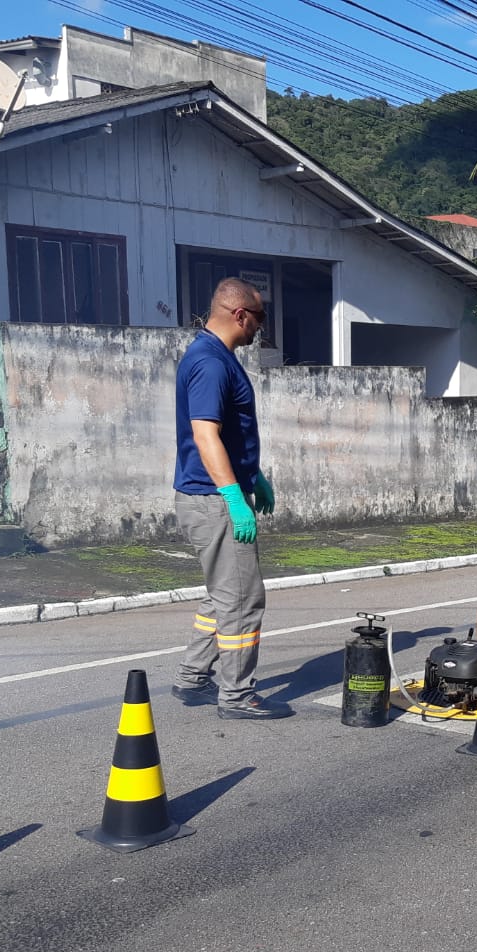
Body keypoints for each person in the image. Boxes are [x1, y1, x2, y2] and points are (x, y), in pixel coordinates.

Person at [171, 277, 293, 720]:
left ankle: (191, 678)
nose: (261, 327)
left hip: (211, 494)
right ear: (240, 314)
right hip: (214, 499)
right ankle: (237, 695)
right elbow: (206, 435)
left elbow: (228, 431)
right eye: (259, 318)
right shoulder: (211, 361)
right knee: (243, 600)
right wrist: (233, 497)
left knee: (221, 594)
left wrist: (252, 475)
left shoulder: (214, 356)